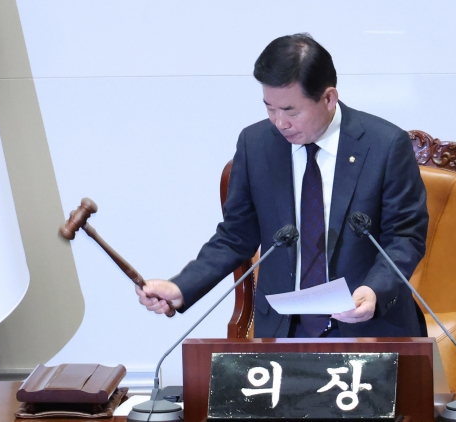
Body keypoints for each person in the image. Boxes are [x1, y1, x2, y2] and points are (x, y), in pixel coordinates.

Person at [137, 33, 428, 338]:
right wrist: (182, 286)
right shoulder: (257, 144)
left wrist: (375, 289)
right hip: (285, 332)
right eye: (269, 108)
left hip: (369, 326)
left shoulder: (384, 145)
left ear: (329, 98)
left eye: (291, 111)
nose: (279, 122)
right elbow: (236, 236)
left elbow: (405, 236)